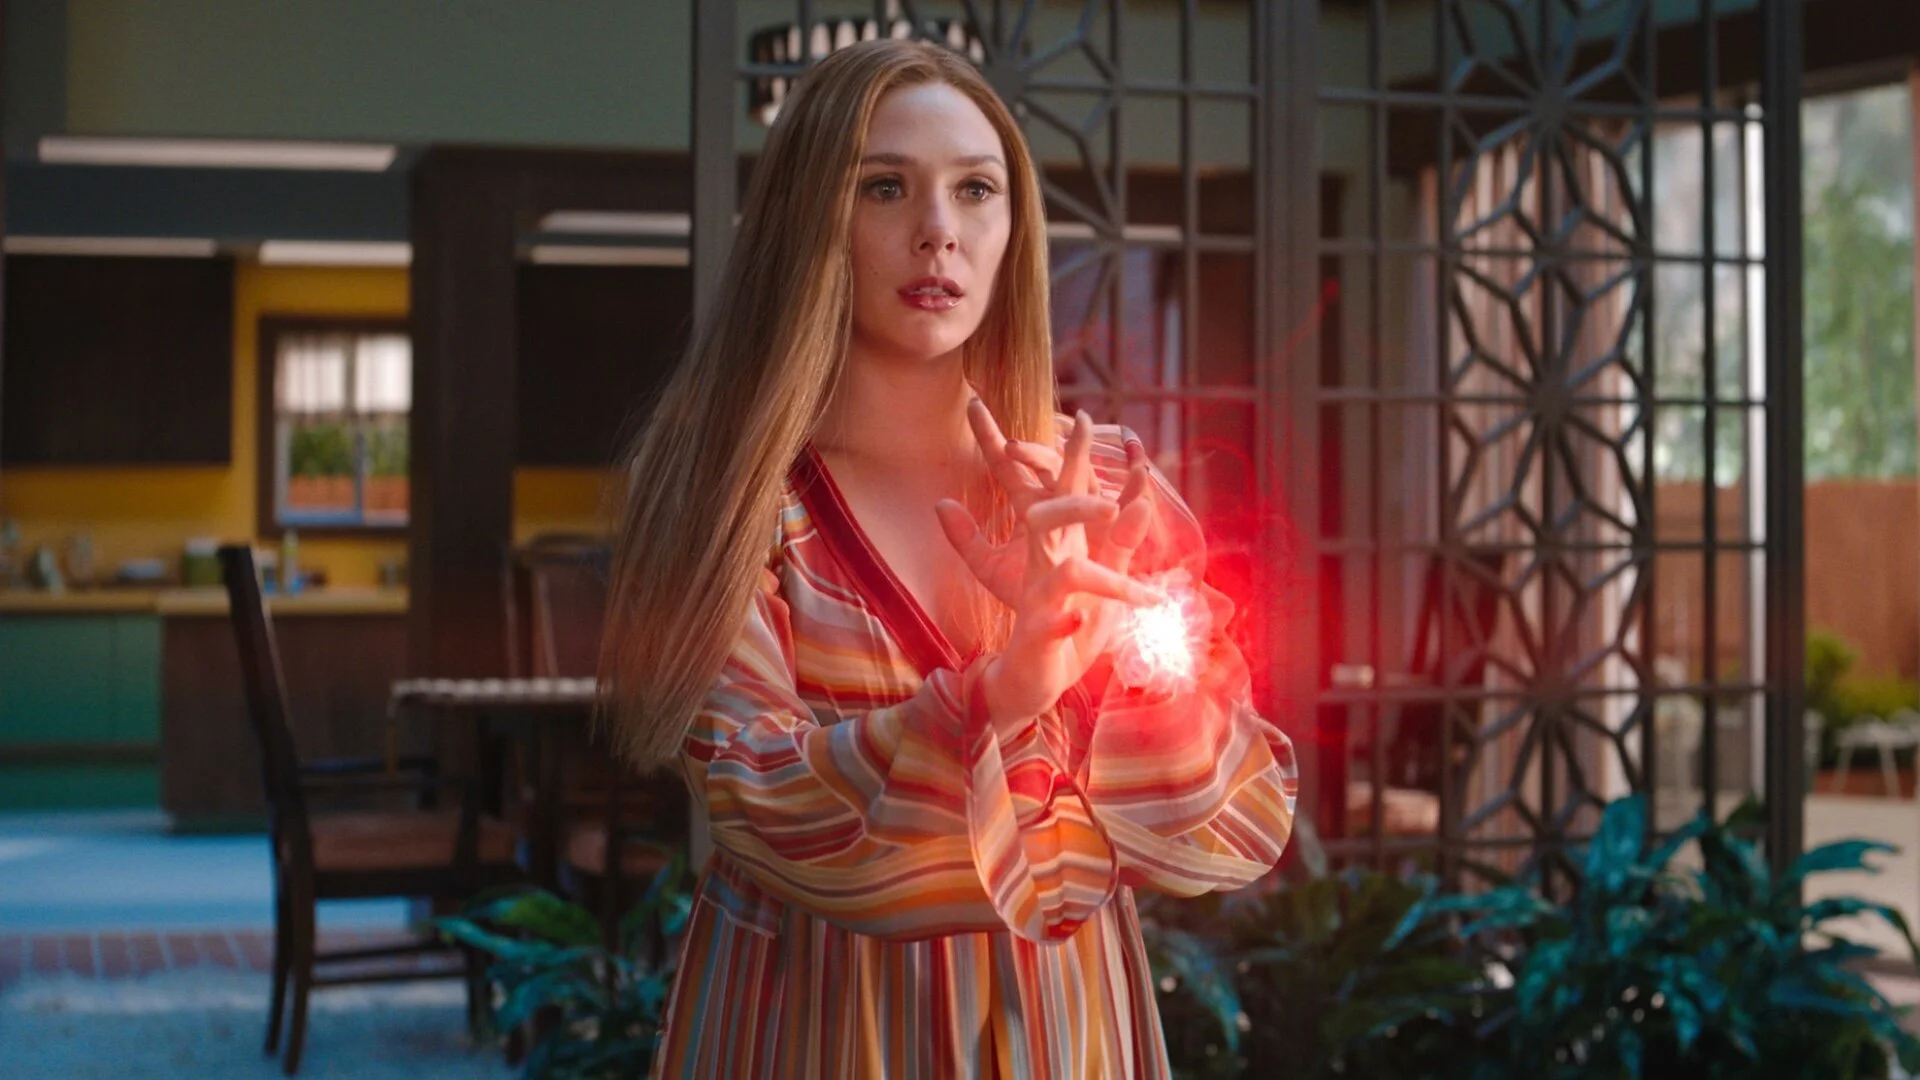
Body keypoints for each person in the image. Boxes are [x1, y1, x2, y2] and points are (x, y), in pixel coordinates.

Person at [600, 37, 1297, 1079]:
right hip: (813, 1029)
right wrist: (1003, 694)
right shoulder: (726, 498)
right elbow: (760, 801)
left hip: (1065, 1030)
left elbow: (1228, 820)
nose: (939, 231)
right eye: (884, 187)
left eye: (976, 189)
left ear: (1015, 228)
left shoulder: (1104, 487)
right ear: (807, 222)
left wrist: (1116, 662)